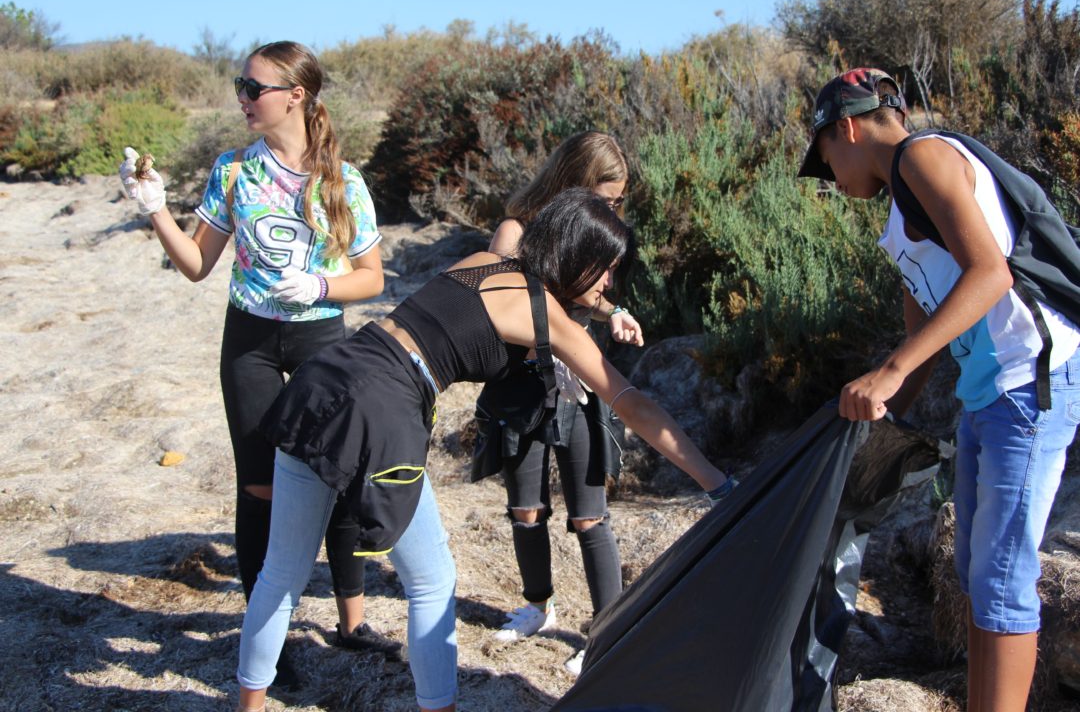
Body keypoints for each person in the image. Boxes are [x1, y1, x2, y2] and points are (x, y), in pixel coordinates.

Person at [235, 187, 737, 712]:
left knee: (282, 572)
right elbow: (633, 406)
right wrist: (714, 481)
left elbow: (532, 298)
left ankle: (249, 705)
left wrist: (605, 307)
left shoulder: (485, 261)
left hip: (330, 373)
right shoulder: (548, 317)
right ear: (578, 257)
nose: (610, 283)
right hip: (384, 405)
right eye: (606, 269)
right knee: (432, 581)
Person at [797, 67, 1080, 712]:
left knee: (1002, 578)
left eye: (826, 161)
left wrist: (890, 374)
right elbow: (923, 326)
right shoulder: (903, 207)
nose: (832, 180)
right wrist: (879, 406)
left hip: (1031, 381)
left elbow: (990, 275)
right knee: (977, 578)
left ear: (846, 127)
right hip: (986, 393)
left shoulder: (923, 157)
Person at [117, 40, 401, 682]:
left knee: (335, 480)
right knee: (262, 489)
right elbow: (195, 267)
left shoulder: (341, 181)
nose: (241, 98)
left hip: (321, 342)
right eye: (239, 85)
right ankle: (267, 644)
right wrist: (156, 209)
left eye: (254, 88)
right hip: (247, 341)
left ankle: (352, 624)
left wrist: (321, 287)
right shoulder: (231, 172)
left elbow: (372, 277)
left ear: (295, 95)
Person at [485, 131, 642, 675]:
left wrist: (611, 312)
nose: (609, 211)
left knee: (589, 517)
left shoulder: (589, 233)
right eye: (605, 197)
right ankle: (537, 606)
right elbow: (496, 298)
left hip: (575, 385)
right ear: (572, 180)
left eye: (616, 203)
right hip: (520, 386)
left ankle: (606, 633)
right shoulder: (516, 230)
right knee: (525, 509)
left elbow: (588, 294)